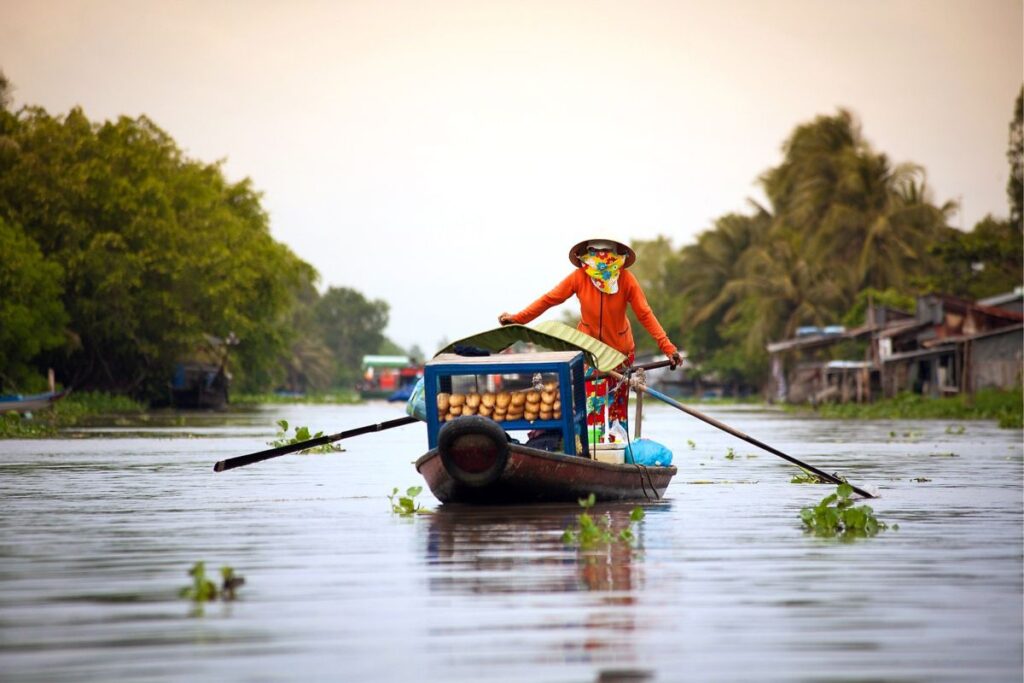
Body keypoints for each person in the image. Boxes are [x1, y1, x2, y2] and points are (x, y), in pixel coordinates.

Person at [498, 238, 681, 442]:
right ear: (585, 255)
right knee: (592, 403)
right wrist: (518, 319)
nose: (601, 258)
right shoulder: (579, 277)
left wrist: (668, 348)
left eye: (606, 253)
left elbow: (645, 314)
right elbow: (549, 299)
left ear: (617, 255)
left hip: (621, 353)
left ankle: (617, 449)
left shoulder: (626, 280)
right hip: (589, 352)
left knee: (617, 408)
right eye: (594, 252)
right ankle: (592, 447)